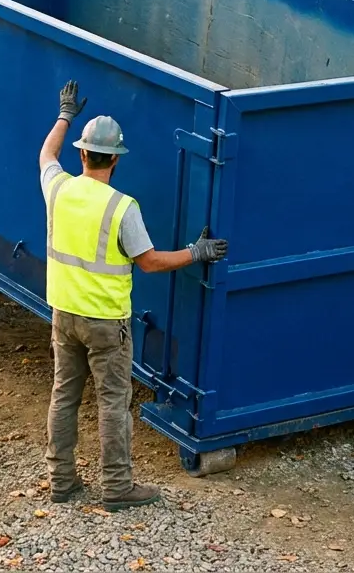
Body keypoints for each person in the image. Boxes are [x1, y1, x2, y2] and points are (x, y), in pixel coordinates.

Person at [39, 80, 229, 510]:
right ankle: (117, 487)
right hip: (106, 323)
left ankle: (61, 481)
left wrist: (65, 114)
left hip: (63, 314)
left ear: (83, 154)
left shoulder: (59, 189)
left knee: (64, 395)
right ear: (116, 159)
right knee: (112, 403)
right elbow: (150, 262)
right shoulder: (122, 207)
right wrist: (197, 252)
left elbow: (46, 155)